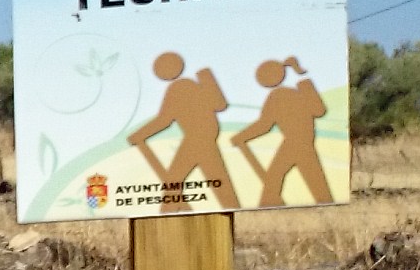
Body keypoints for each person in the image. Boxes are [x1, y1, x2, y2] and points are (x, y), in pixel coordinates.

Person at [125, 50, 233, 212]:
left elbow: (164, 120)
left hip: (196, 139)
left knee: (174, 183)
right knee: (217, 182)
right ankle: (176, 213)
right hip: (205, 138)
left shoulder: (178, 88)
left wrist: (139, 135)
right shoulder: (192, 85)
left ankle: (167, 218)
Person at [231, 56, 333, 208]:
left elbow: (264, 125)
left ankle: (268, 205)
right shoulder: (299, 92)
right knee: (311, 179)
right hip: (305, 142)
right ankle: (270, 205)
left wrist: (241, 137)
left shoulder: (277, 96)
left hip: (293, 143)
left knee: (274, 177)